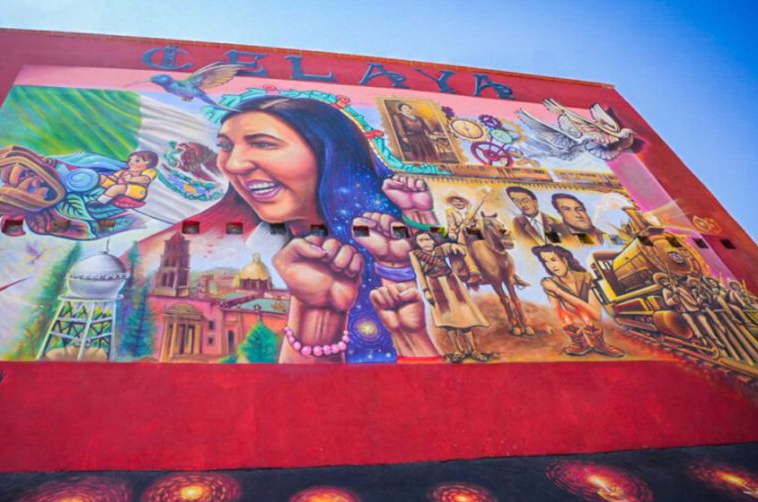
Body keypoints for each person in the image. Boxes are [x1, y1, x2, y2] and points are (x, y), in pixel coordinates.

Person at [133, 96, 441, 363]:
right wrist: (315, 315)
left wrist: (413, 229)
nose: (234, 165)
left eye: (263, 144)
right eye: (225, 146)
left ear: (326, 152)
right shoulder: (234, 242)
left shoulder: (385, 244)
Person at [409, 232, 491, 362]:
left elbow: (455, 248)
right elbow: (419, 274)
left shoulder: (442, 249)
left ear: (433, 240)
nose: (426, 243)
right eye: (421, 240)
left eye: (428, 239)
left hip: (452, 284)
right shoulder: (415, 255)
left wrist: (455, 247)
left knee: (464, 316)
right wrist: (426, 290)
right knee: (447, 319)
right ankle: (458, 351)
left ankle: (473, 350)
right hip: (435, 286)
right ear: (417, 243)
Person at [532, 244, 623, 357]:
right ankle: (580, 344)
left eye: (553, 260)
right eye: (546, 261)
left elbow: (596, 315)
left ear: (564, 260)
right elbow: (556, 311)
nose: (551, 266)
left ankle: (599, 344)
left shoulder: (586, 278)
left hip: (592, 323)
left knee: (592, 324)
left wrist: (559, 291)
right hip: (575, 323)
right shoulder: (549, 283)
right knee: (570, 325)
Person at [95, 150, 159, 206]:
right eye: (130, 160)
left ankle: (100, 202)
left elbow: (145, 179)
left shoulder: (149, 171)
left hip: (138, 190)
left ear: (147, 162)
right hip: (121, 186)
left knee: (117, 188)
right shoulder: (124, 171)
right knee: (102, 178)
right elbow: (115, 177)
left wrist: (131, 179)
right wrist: (107, 177)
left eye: (137, 160)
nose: (131, 162)